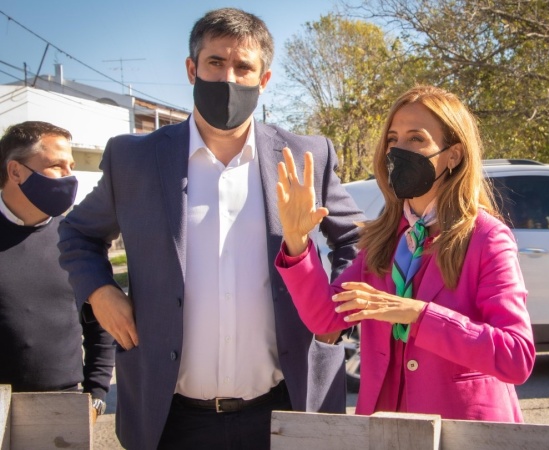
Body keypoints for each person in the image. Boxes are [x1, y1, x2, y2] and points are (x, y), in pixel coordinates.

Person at [58, 7, 365, 450]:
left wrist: (334, 315)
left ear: (264, 79)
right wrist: (100, 292)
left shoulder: (305, 156)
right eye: (215, 62)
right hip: (172, 419)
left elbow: (356, 238)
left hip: (287, 407)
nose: (228, 79)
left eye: (243, 67)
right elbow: (77, 234)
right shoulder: (134, 159)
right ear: (192, 69)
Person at [275, 85, 536, 422]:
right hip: (387, 428)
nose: (399, 150)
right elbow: (326, 318)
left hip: (465, 430)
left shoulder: (487, 238)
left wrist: (418, 315)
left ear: (453, 155)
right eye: (392, 139)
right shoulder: (383, 238)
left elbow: (516, 357)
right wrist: (297, 242)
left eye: (416, 139)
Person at [0, 121, 115, 422]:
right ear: (15, 172)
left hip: (64, 405)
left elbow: (101, 323)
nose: (69, 177)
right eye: (56, 165)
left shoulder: (76, 240)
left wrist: (96, 396)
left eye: (71, 166)